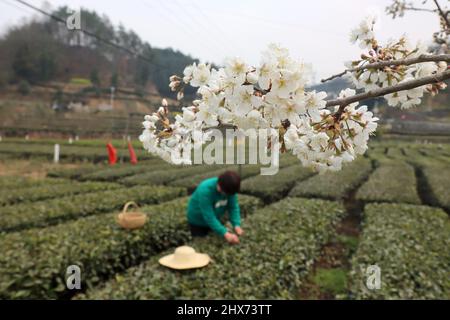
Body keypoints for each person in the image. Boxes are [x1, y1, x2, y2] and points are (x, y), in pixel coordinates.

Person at [187, 171, 244, 245]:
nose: (225, 195)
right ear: (219, 184)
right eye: (224, 192)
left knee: (214, 241)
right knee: (201, 245)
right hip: (198, 220)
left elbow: (233, 207)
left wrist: (237, 225)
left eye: (228, 194)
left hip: (214, 218)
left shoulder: (230, 188)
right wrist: (225, 233)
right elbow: (209, 216)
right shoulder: (205, 190)